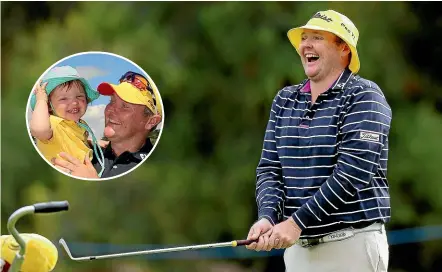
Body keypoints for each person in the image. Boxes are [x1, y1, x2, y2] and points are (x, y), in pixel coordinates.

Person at [246, 10, 391, 272]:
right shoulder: (285, 100)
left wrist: (295, 223)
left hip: (351, 245)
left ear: (343, 49)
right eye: (304, 38)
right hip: (299, 250)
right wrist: (268, 216)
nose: (306, 45)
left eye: (317, 38)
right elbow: (270, 169)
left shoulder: (364, 96)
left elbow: (352, 174)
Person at [52, 71, 162, 179]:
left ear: (151, 121)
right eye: (111, 101)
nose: (110, 110)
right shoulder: (87, 152)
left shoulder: (156, 172)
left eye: (125, 106)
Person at [29, 66, 105, 177]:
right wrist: (41, 100)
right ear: (49, 106)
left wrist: (93, 142)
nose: (74, 102)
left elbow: (74, 140)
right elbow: (39, 130)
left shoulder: (80, 124)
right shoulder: (52, 123)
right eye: (64, 99)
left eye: (79, 96)